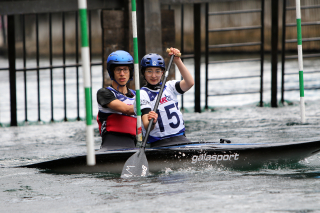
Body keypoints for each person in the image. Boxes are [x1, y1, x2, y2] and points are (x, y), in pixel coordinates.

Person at [139, 47, 194, 147]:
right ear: (143, 73)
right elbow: (146, 124)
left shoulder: (170, 86)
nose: (154, 75)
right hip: (159, 142)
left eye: (157, 71)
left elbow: (190, 83)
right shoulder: (142, 93)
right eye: (149, 71)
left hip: (181, 138)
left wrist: (177, 61)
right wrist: (153, 122)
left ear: (163, 72)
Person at [96, 50, 137, 150]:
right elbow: (127, 110)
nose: (122, 74)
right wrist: (147, 106)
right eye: (118, 70)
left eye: (125, 70)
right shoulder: (104, 93)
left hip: (132, 147)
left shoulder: (137, 95)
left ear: (130, 72)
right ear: (112, 72)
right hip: (110, 147)